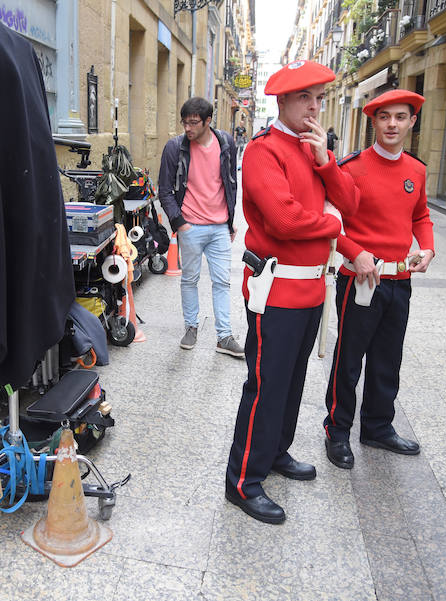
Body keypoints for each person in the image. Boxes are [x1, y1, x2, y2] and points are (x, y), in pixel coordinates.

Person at [225, 61, 359, 524]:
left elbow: (352, 203)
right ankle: (243, 480)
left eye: (319, 98)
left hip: (309, 292)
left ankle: (275, 452)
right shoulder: (264, 151)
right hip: (275, 291)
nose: (315, 106)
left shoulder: (313, 149)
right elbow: (284, 221)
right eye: (305, 98)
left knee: (292, 383)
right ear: (282, 101)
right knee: (265, 387)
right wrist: (332, 225)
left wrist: (327, 161)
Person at [322, 89, 434, 471]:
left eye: (400, 117)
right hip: (360, 281)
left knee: (388, 358)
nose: (392, 124)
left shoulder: (416, 170)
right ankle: (337, 431)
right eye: (384, 117)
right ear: (373, 121)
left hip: (400, 280)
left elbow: (421, 215)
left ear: (411, 122)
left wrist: (429, 247)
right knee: (349, 359)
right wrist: (354, 251)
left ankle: (378, 427)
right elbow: (331, 223)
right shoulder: (352, 167)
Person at [158, 97, 244, 358]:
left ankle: (224, 336)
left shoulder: (226, 143)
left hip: (219, 227)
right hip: (190, 226)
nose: (188, 128)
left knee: (222, 282)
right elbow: (164, 191)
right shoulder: (175, 148)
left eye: (194, 123)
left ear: (208, 121)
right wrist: (179, 223)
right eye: (185, 122)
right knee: (190, 280)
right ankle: (191, 327)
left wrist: (230, 222)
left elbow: (230, 184)